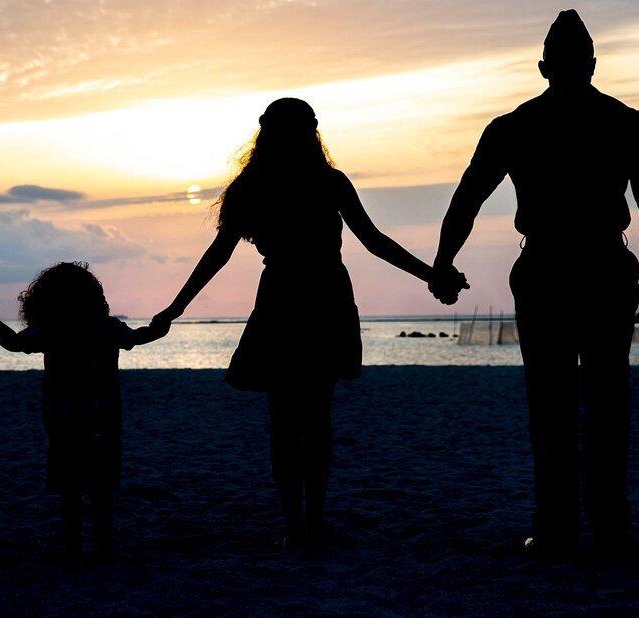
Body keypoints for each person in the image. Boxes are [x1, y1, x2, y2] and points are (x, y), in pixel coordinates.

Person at [152, 98, 466, 549]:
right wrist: (432, 275)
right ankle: (310, 521)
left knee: (287, 421)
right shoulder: (325, 182)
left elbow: (219, 254)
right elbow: (374, 242)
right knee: (315, 419)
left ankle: (296, 525)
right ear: (311, 131)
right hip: (323, 298)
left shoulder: (255, 187)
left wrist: (174, 309)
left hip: (285, 298)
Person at [429, 10, 639, 559]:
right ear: (590, 64)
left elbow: (467, 199)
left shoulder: (514, 126)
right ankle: (608, 525)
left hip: (550, 272)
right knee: (606, 401)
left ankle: (561, 524)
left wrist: (444, 263)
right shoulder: (628, 123)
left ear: (543, 66)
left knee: (552, 403)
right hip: (602, 269)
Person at [0, 261, 168, 563]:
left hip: (63, 421)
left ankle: (73, 548)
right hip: (104, 421)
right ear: (95, 296)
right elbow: (139, 336)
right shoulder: (107, 328)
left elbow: (14, 343)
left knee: (69, 487)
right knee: (102, 488)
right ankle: (101, 548)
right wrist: (163, 324)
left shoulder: (49, 330)